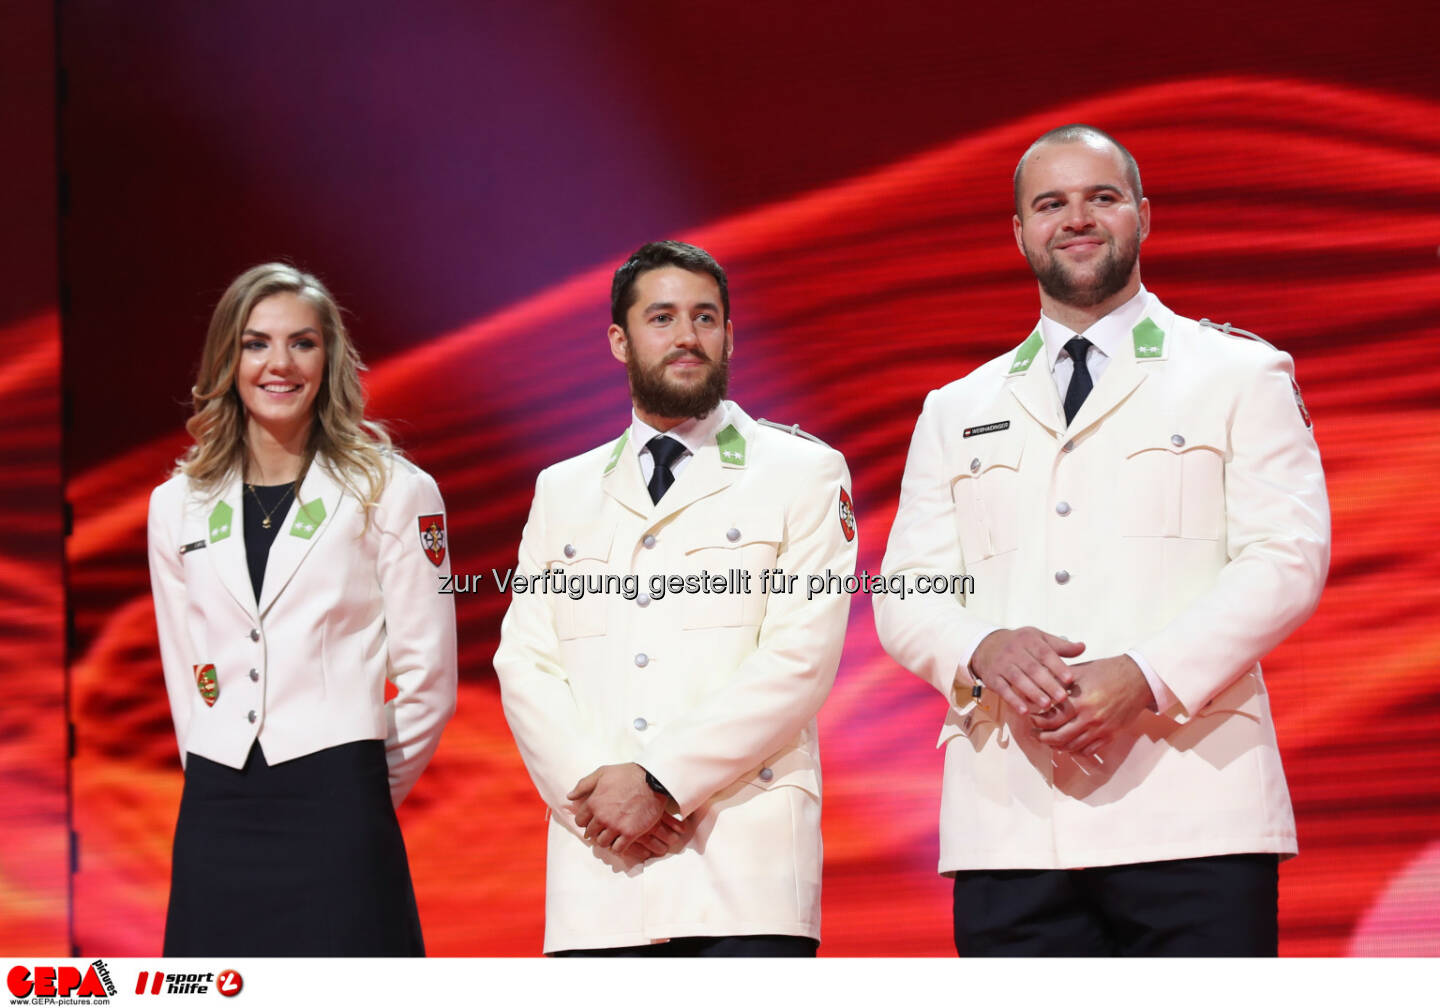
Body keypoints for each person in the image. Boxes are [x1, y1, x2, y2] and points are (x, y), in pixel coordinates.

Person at [873, 125, 1330, 956]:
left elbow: (1287, 558)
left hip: (1194, 813)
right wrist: (981, 646)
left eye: (1102, 198)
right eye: (1051, 203)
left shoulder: (1238, 373)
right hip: (1008, 825)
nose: (1076, 219)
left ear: (1144, 217)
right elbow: (907, 591)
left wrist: (1144, 675)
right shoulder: (954, 405)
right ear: (1019, 232)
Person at [493, 240, 857, 956]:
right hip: (598, 866)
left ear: (729, 335)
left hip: (744, 868)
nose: (688, 336)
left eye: (706, 318)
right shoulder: (562, 489)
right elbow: (526, 663)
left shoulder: (803, 472)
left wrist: (661, 782)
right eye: (662, 318)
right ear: (619, 341)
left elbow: (800, 657)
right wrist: (594, 795)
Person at [147, 262, 457, 955]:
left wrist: (358, 789)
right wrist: (214, 763)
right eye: (256, 344)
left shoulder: (395, 490)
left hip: (339, 803)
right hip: (216, 809)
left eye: (302, 343)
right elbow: (185, 667)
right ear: (229, 359)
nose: (278, 364)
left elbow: (429, 678)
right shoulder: (176, 503)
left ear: (330, 358)